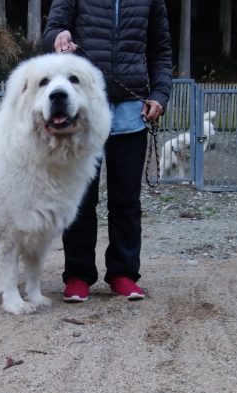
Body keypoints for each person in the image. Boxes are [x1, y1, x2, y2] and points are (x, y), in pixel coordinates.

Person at [42, 0, 173, 302]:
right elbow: (50, 32)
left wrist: (160, 94)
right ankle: (78, 274)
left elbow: (161, 51)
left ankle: (123, 273)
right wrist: (58, 37)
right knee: (81, 198)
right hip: (82, 110)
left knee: (126, 199)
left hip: (130, 110)